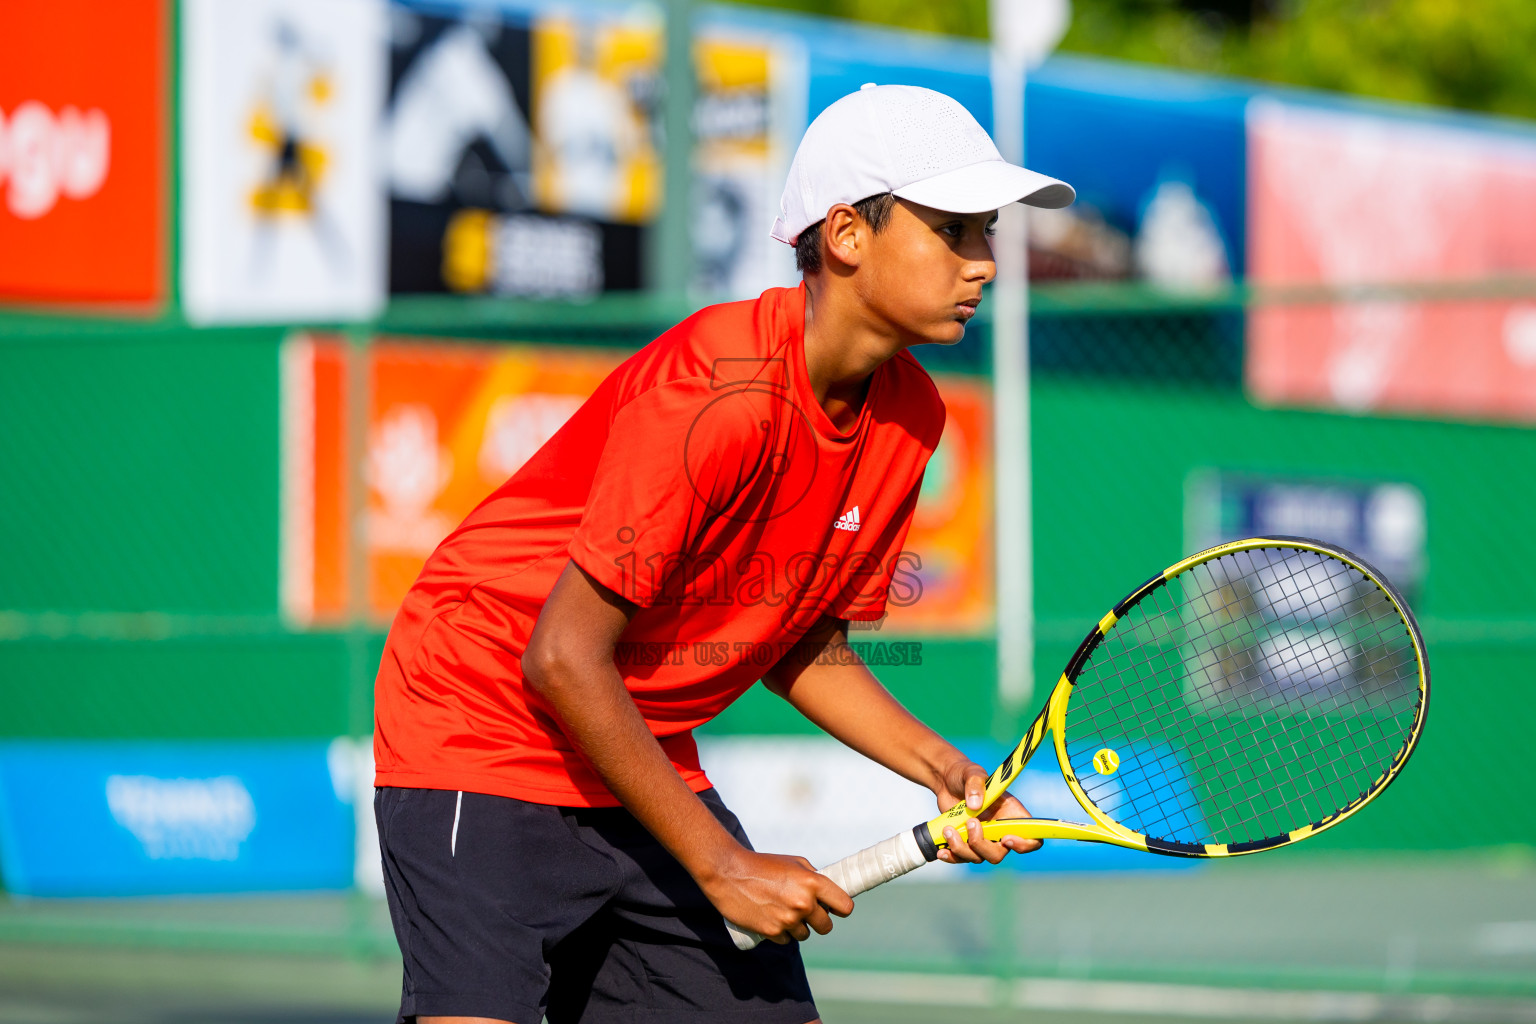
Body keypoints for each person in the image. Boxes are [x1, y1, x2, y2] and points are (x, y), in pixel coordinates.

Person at [372, 83, 1076, 1024]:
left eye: (987, 233)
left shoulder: (913, 416)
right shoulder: (720, 389)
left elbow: (798, 644)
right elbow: (561, 655)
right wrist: (721, 864)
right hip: (480, 717)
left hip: (633, 748)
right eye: (955, 230)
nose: (985, 263)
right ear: (846, 235)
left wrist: (942, 770)